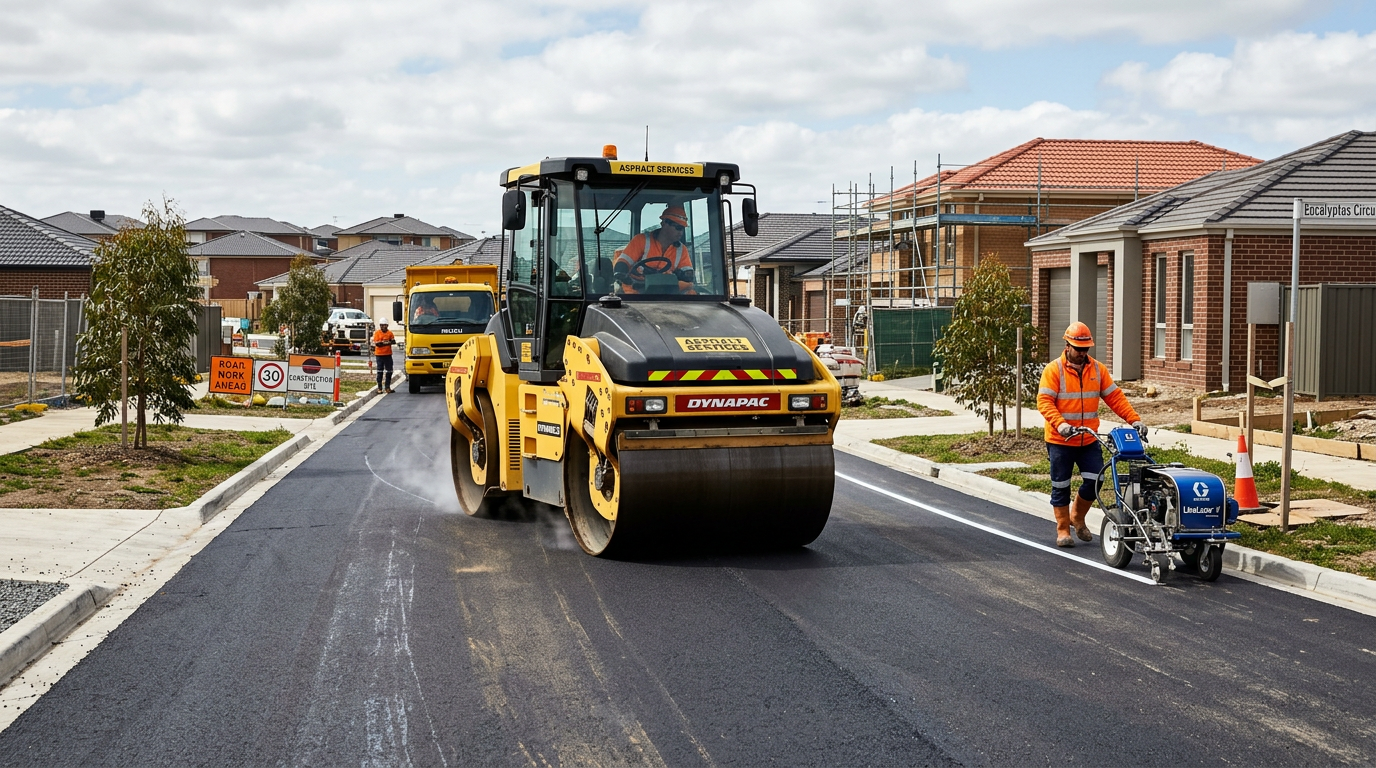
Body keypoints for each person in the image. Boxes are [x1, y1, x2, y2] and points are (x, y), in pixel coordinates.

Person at [1037, 322, 1144, 547]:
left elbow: (1115, 398)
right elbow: (1044, 402)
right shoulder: (1053, 370)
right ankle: (1063, 529)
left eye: (1086, 349)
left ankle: (1077, 517)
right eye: (1078, 349)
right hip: (1061, 440)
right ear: (1067, 346)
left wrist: (1134, 420)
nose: (1083, 353)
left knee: (1096, 480)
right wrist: (1061, 424)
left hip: (1088, 439)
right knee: (1061, 485)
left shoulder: (1097, 369)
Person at [613, 205, 695, 294]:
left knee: (691, 292)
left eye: (682, 229)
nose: (681, 232)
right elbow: (624, 262)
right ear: (664, 224)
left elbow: (688, 275)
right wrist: (622, 273)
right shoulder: (641, 240)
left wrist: (683, 274)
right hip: (636, 290)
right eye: (678, 228)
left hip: (666, 291)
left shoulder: (681, 249)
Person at [372, 320, 396, 394]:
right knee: (380, 371)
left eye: (384, 325)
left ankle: (387, 387)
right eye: (382, 325)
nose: (383, 327)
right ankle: (379, 388)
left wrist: (383, 343)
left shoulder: (390, 333)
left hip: (388, 355)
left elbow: (393, 341)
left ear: (387, 325)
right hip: (379, 355)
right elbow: (378, 344)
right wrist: (387, 343)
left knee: (389, 371)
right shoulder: (377, 333)